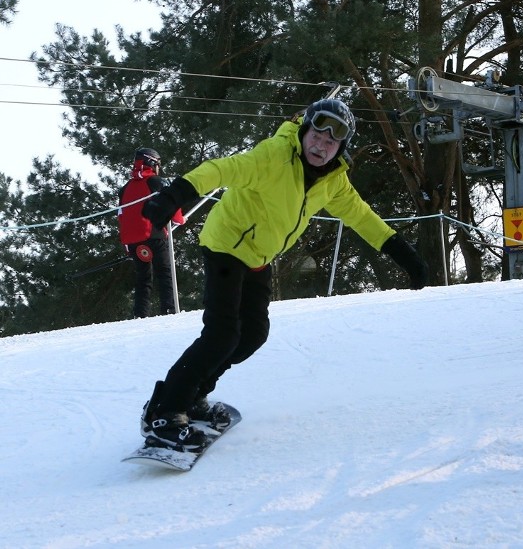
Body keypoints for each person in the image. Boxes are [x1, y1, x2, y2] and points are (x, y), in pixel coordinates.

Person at [137, 98, 429, 450]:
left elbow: (361, 216)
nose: (321, 146)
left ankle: (194, 395)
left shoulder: (333, 181)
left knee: (253, 335)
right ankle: (165, 412)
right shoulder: (274, 155)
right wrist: (175, 196)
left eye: (332, 142)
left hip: (259, 256)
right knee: (222, 334)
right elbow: (221, 169)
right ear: (305, 131)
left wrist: (407, 256)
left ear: (340, 148)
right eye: (317, 136)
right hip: (226, 244)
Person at [117, 148, 185, 318]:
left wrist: (126, 244)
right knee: (164, 273)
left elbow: (121, 216)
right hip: (153, 236)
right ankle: (169, 310)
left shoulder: (125, 188)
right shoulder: (156, 182)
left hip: (133, 241)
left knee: (143, 278)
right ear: (152, 163)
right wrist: (180, 220)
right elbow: (172, 205)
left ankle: (140, 315)